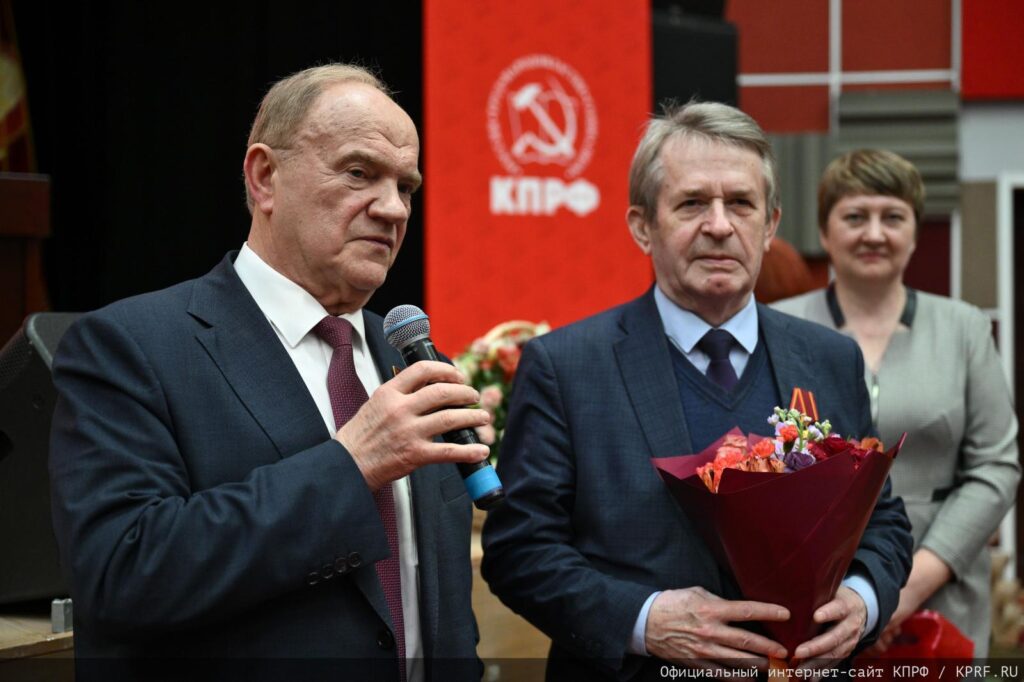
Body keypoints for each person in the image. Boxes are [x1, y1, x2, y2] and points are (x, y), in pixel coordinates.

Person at [48, 64, 489, 680]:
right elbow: (122, 574)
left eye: (406, 186)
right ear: (264, 178)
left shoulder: (411, 360)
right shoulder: (130, 346)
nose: (393, 208)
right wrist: (352, 464)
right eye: (359, 172)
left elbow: (443, 612)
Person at [480, 101, 913, 680]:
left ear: (770, 225)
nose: (719, 225)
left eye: (740, 203)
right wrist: (646, 621)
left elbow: (883, 522)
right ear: (642, 227)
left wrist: (862, 602)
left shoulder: (830, 359)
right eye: (691, 203)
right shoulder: (565, 367)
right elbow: (519, 550)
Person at [773, 149, 1020, 658]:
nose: (874, 233)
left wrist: (897, 593)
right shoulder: (777, 327)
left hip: (941, 596)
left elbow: (996, 467)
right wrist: (850, 597)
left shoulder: (965, 329)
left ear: (914, 231)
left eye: (892, 217)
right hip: (814, 605)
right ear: (824, 232)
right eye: (854, 217)